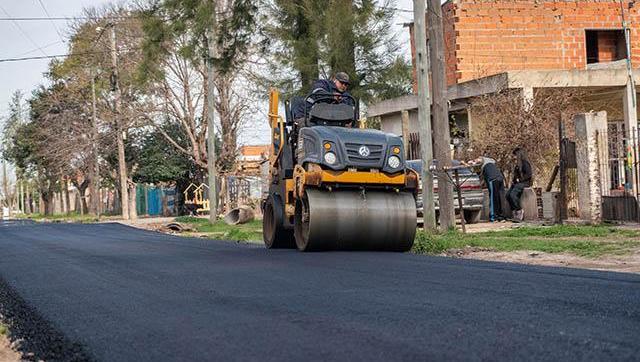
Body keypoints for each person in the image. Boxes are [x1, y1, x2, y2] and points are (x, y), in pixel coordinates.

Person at [468, 155, 505, 222]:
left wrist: (473, 163)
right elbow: (479, 176)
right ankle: (500, 216)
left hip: (493, 178)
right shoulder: (491, 162)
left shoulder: (485, 161)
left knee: (493, 198)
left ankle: (494, 217)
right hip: (499, 177)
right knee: (499, 198)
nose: (476, 160)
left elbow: (479, 161)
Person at [506, 147, 533, 222]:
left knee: (513, 195)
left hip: (525, 183)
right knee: (508, 195)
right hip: (518, 183)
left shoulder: (525, 163)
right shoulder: (518, 165)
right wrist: (514, 181)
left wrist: (520, 180)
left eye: (515, 155)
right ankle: (514, 211)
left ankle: (519, 210)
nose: (514, 157)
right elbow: (515, 176)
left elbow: (529, 174)